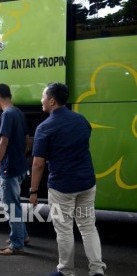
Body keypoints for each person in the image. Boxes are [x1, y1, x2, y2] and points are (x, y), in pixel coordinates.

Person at [29, 83, 106, 276]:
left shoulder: (45, 128)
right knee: (88, 227)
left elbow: (38, 164)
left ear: (52, 101)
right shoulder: (81, 120)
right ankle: (97, 270)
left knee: (64, 230)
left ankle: (65, 271)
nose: (41, 100)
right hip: (87, 182)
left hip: (62, 187)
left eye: (43, 96)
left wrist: (33, 191)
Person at [0, 83, 30, 256]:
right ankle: (22, 236)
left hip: (10, 168)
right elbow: (28, 139)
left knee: (11, 207)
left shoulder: (6, 115)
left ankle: (16, 244)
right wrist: (20, 155)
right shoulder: (19, 112)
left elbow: (3, 141)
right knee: (16, 204)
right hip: (21, 166)